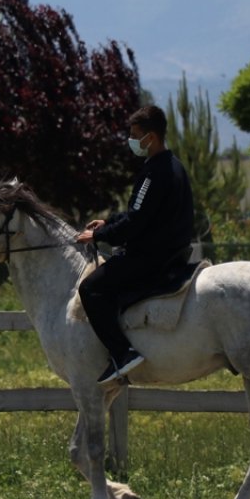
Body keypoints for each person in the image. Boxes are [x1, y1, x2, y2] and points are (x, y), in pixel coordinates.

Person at [75, 105, 195, 387]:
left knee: (90, 289)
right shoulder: (173, 166)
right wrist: (108, 223)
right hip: (171, 253)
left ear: (150, 138)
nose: (131, 141)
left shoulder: (154, 173)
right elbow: (138, 213)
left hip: (151, 257)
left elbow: (136, 222)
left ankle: (122, 353)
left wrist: (98, 236)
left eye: (134, 135)